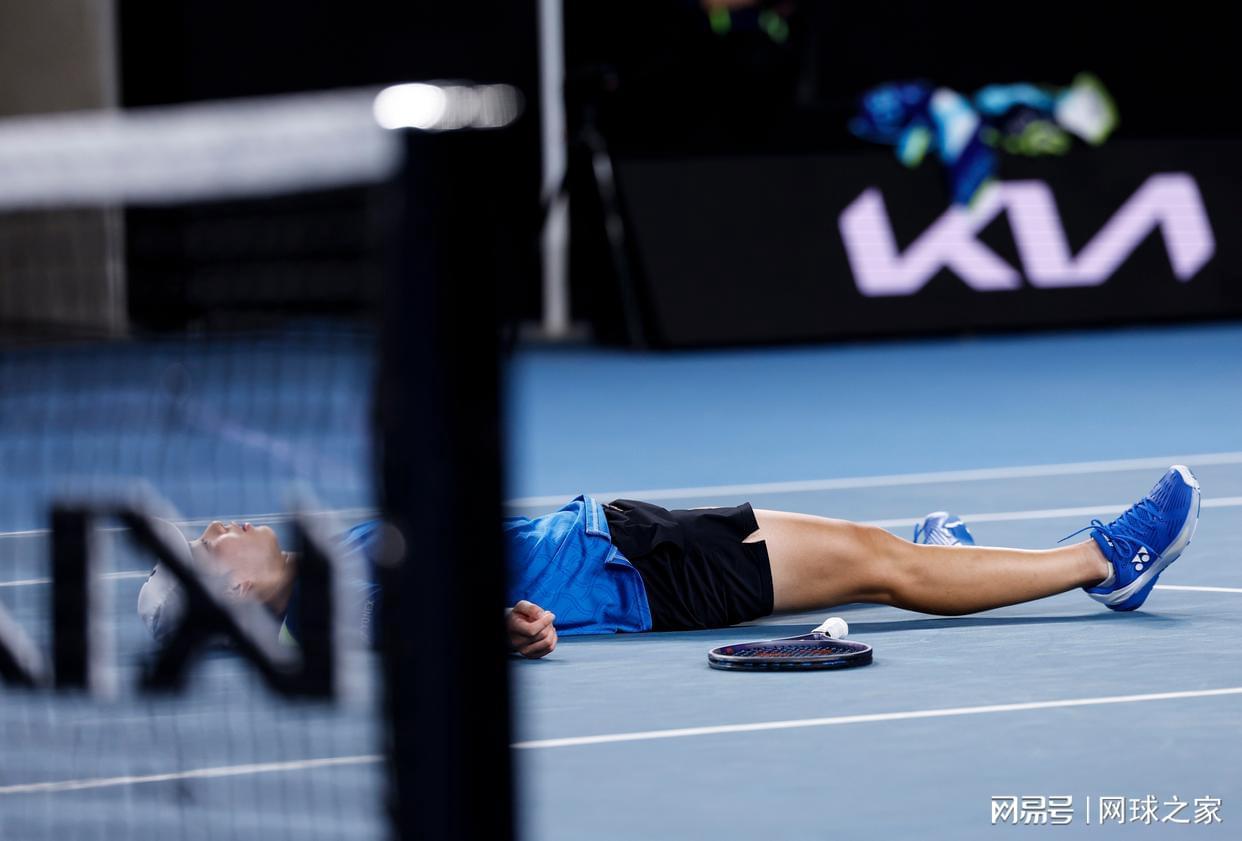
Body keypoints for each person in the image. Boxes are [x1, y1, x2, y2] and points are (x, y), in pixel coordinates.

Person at [138, 466, 1201, 661]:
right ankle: (1102, 561)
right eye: (205, 547)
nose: (219, 526)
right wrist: (507, 628)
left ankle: (953, 557)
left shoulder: (327, 581)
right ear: (228, 587)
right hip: (643, 572)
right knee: (887, 570)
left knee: (878, 556)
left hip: (626, 543)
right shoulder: (336, 607)